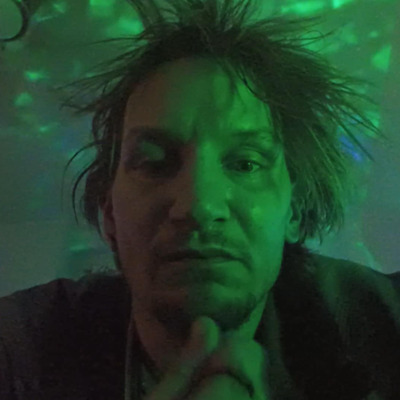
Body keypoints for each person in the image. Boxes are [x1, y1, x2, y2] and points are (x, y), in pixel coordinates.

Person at [1, 0, 399, 399]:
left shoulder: (384, 322)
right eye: (154, 164)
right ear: (109, 216)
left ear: (293, 210)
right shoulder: (21, 346)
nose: (199, 206)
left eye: (245, 163)